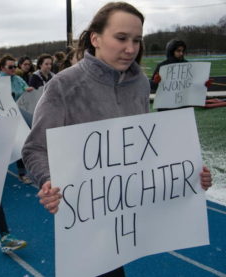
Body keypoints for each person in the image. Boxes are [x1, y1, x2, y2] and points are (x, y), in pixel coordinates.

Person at [22, 3, 213, 277]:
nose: (131, 48)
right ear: (95, 38)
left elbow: (146, 147)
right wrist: (48, 180)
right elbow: (35, 148)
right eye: (121, 38)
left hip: (126, 218)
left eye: (137, 40)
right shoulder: (63, 85)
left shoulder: (140, 83)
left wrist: (189, 176)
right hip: (84, 216)